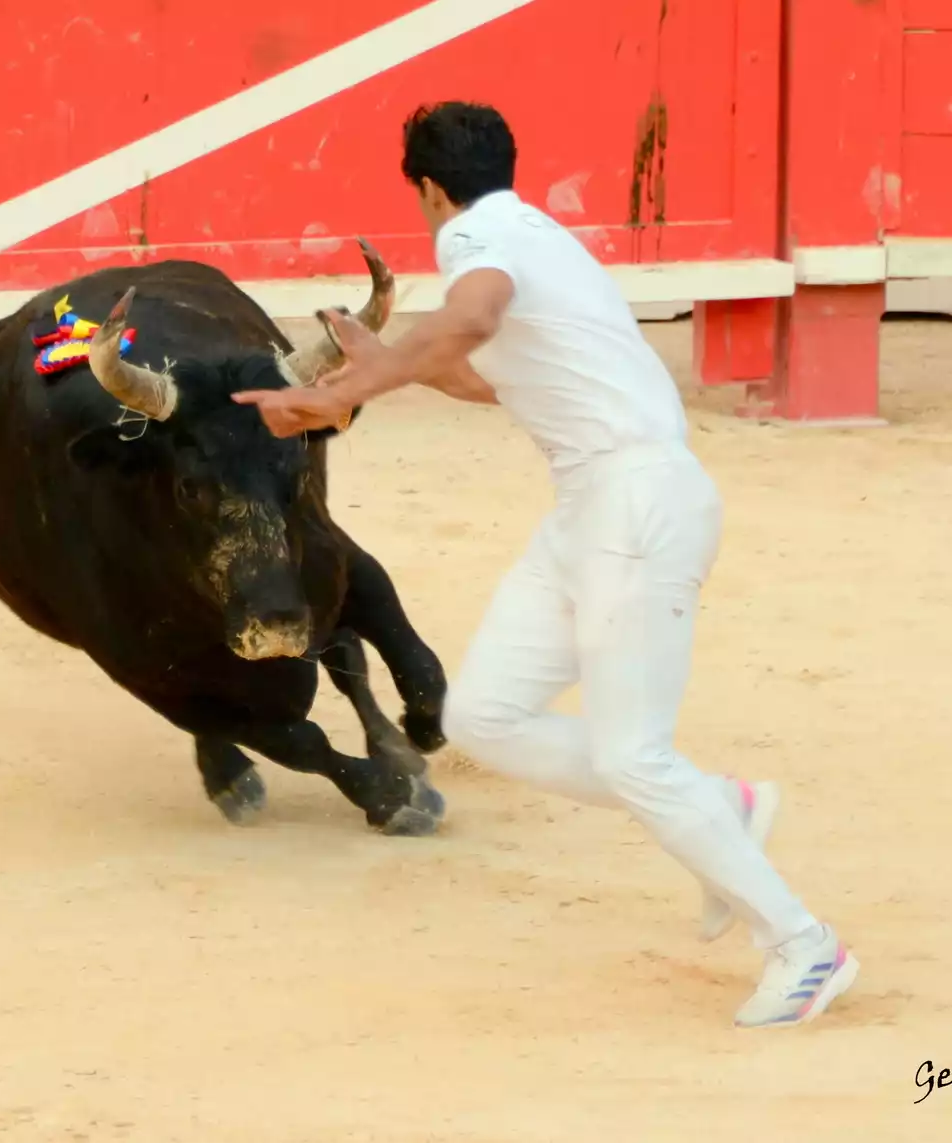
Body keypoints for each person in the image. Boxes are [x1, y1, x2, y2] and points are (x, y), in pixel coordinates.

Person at [233, 101, 857, 1028]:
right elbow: (486, 377)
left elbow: (469, 323)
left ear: (431, 189)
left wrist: (354, 388)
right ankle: (719, 808)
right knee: (485, 714)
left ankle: (805, 945)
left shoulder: (476, 238)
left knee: (634, 753)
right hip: (594, 509)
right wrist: (377, 359)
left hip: (634, 505)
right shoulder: (538, 236)